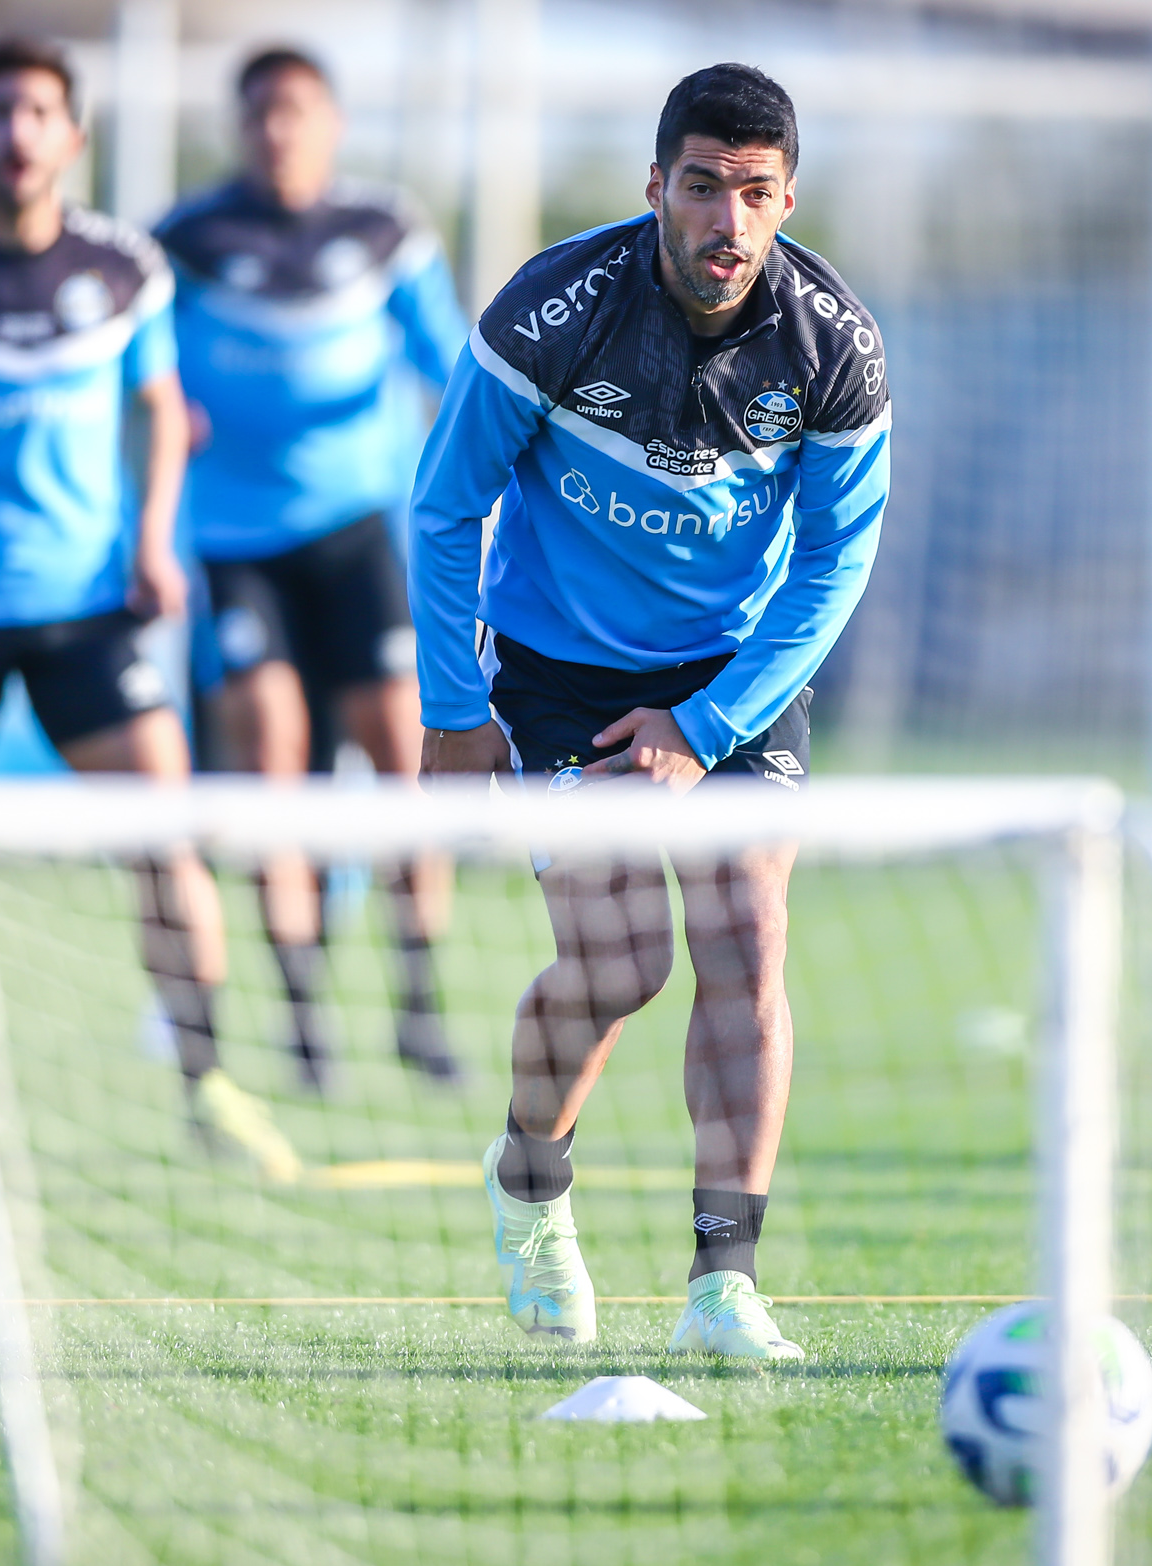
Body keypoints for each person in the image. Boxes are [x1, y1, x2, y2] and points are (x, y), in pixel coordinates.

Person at [412, 65, 891, 1357]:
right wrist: (456, 718)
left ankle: (723, 1283)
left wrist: (707, 722)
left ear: (788, 201)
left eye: (752, 193)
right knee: (622, 965)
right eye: (699, 186)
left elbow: (838, 562)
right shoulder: (555, 309)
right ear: (655, 188)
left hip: (733, 680)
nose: (724, 221)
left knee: (748, 932)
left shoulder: (832, 345)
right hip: (559, 672)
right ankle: (528, 1189)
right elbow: (445, 504)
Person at [0, 37, 299, 1183]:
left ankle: (207, 1086)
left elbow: (166, 408)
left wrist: (150, 541)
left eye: (40, 112)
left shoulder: (127, 270)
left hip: (89, 612)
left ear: (72, 138)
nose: (18, 133)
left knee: (167, 846)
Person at [154, 47, 468, 1094]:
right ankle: (302, 1022)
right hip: (238, 549)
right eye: (258, 115)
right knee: (274, 760)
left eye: (295, 112)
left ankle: (419, 1004)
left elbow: (458, 378)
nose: (276, 132)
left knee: (404, 753)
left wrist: (484, 505)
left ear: (330, 124)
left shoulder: (386, 233)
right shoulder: (185, 244)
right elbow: (134, 376)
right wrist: (158, 422)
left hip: (355, 536)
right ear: (236, 129)